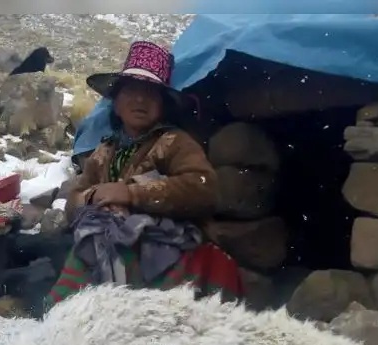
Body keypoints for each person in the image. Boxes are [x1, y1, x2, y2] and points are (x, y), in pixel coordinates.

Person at [42, 40, 244, 312]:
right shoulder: (105, 150)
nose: (140, 99)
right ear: (115, 104)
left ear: (163, 105)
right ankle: (64, 320)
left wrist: (131, 194)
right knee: (88, 245)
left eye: (151, 94)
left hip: (167, 245)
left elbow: (202, 188)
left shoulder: (175, 142)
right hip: (106, 242)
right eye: (132, 91)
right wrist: (93, 198)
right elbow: (74, 201)